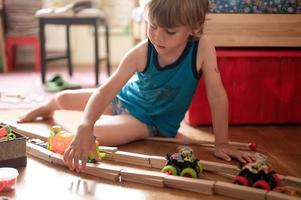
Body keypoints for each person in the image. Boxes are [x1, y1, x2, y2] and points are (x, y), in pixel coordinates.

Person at [19, 0, 254, 172]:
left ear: (194, 27)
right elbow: (104, 91)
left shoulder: (203, 48)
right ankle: (46, 107)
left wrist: (221, 142)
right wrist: (84, 124)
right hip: (124, 98)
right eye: (152, 26)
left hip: (150, 122)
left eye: (169, 32)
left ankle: (78, 130)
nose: (158, 37)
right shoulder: (141, 51)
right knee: (64, 98)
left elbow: (217, 96)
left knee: (96, 133)